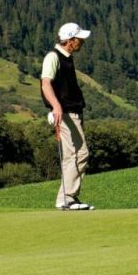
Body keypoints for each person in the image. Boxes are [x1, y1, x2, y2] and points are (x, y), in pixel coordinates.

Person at [41, 22, 94, 210]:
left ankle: (68, 197)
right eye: (79, 39)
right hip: (64, 113)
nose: (82, 43)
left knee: (76, 153)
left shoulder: (67, 57)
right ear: (70, 40)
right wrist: (55, 106)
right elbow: (46, 83)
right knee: (77, 153)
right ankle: (66, 198)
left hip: (73, 112)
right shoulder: (53, 57)